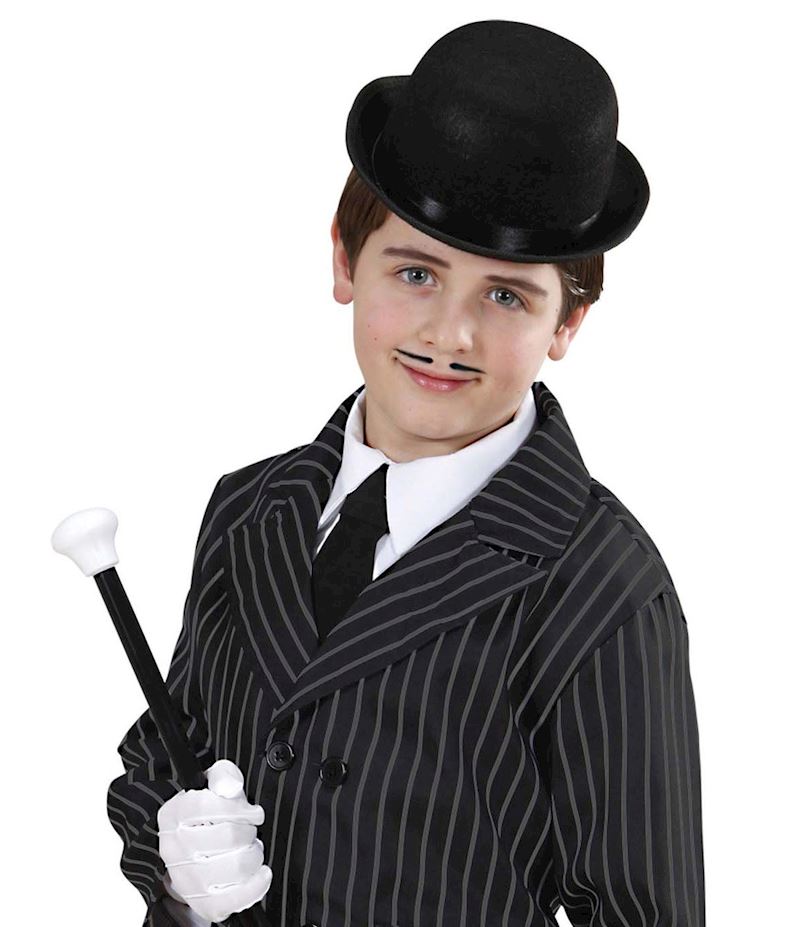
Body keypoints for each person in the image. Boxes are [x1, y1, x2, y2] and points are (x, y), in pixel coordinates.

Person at [107, 19, 706, 927]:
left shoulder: (601, 586)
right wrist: (177, 866)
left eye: (505, 294)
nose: (448, 334)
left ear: (567, 324)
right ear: (345, 260)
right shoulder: (248, 507)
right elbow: (168, 750)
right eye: (416, 273)